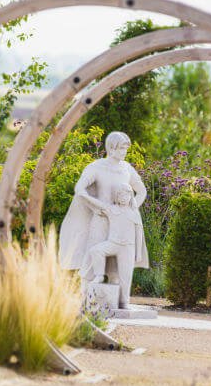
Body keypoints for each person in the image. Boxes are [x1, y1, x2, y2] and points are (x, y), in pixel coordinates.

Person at [59, 131, 148, 308]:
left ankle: (117, 304)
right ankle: (87, 302)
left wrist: (131, 209)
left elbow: (142, 191)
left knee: (117, 269)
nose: (124, 152)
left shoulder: (127, 168)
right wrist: (95, 207)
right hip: (100, 222)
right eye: (121, 148)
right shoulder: (96, 167)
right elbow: (80, 189)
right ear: (111, 147)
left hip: (122, 225)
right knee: (92, 262)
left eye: (126, 149)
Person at [80, 183, 142, 307]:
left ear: (131, 197)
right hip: (113, 243)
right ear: (116, 197)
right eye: (121, 195)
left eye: (127, 195)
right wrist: (84, 195)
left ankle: (125, 301)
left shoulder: (134, 213)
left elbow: (139, 233)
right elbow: (98, 204)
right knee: (96, 250)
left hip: (127, 247)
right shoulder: (112, 209)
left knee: (126, 275)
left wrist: (138, 253)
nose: (124, 197)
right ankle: (99, 275)